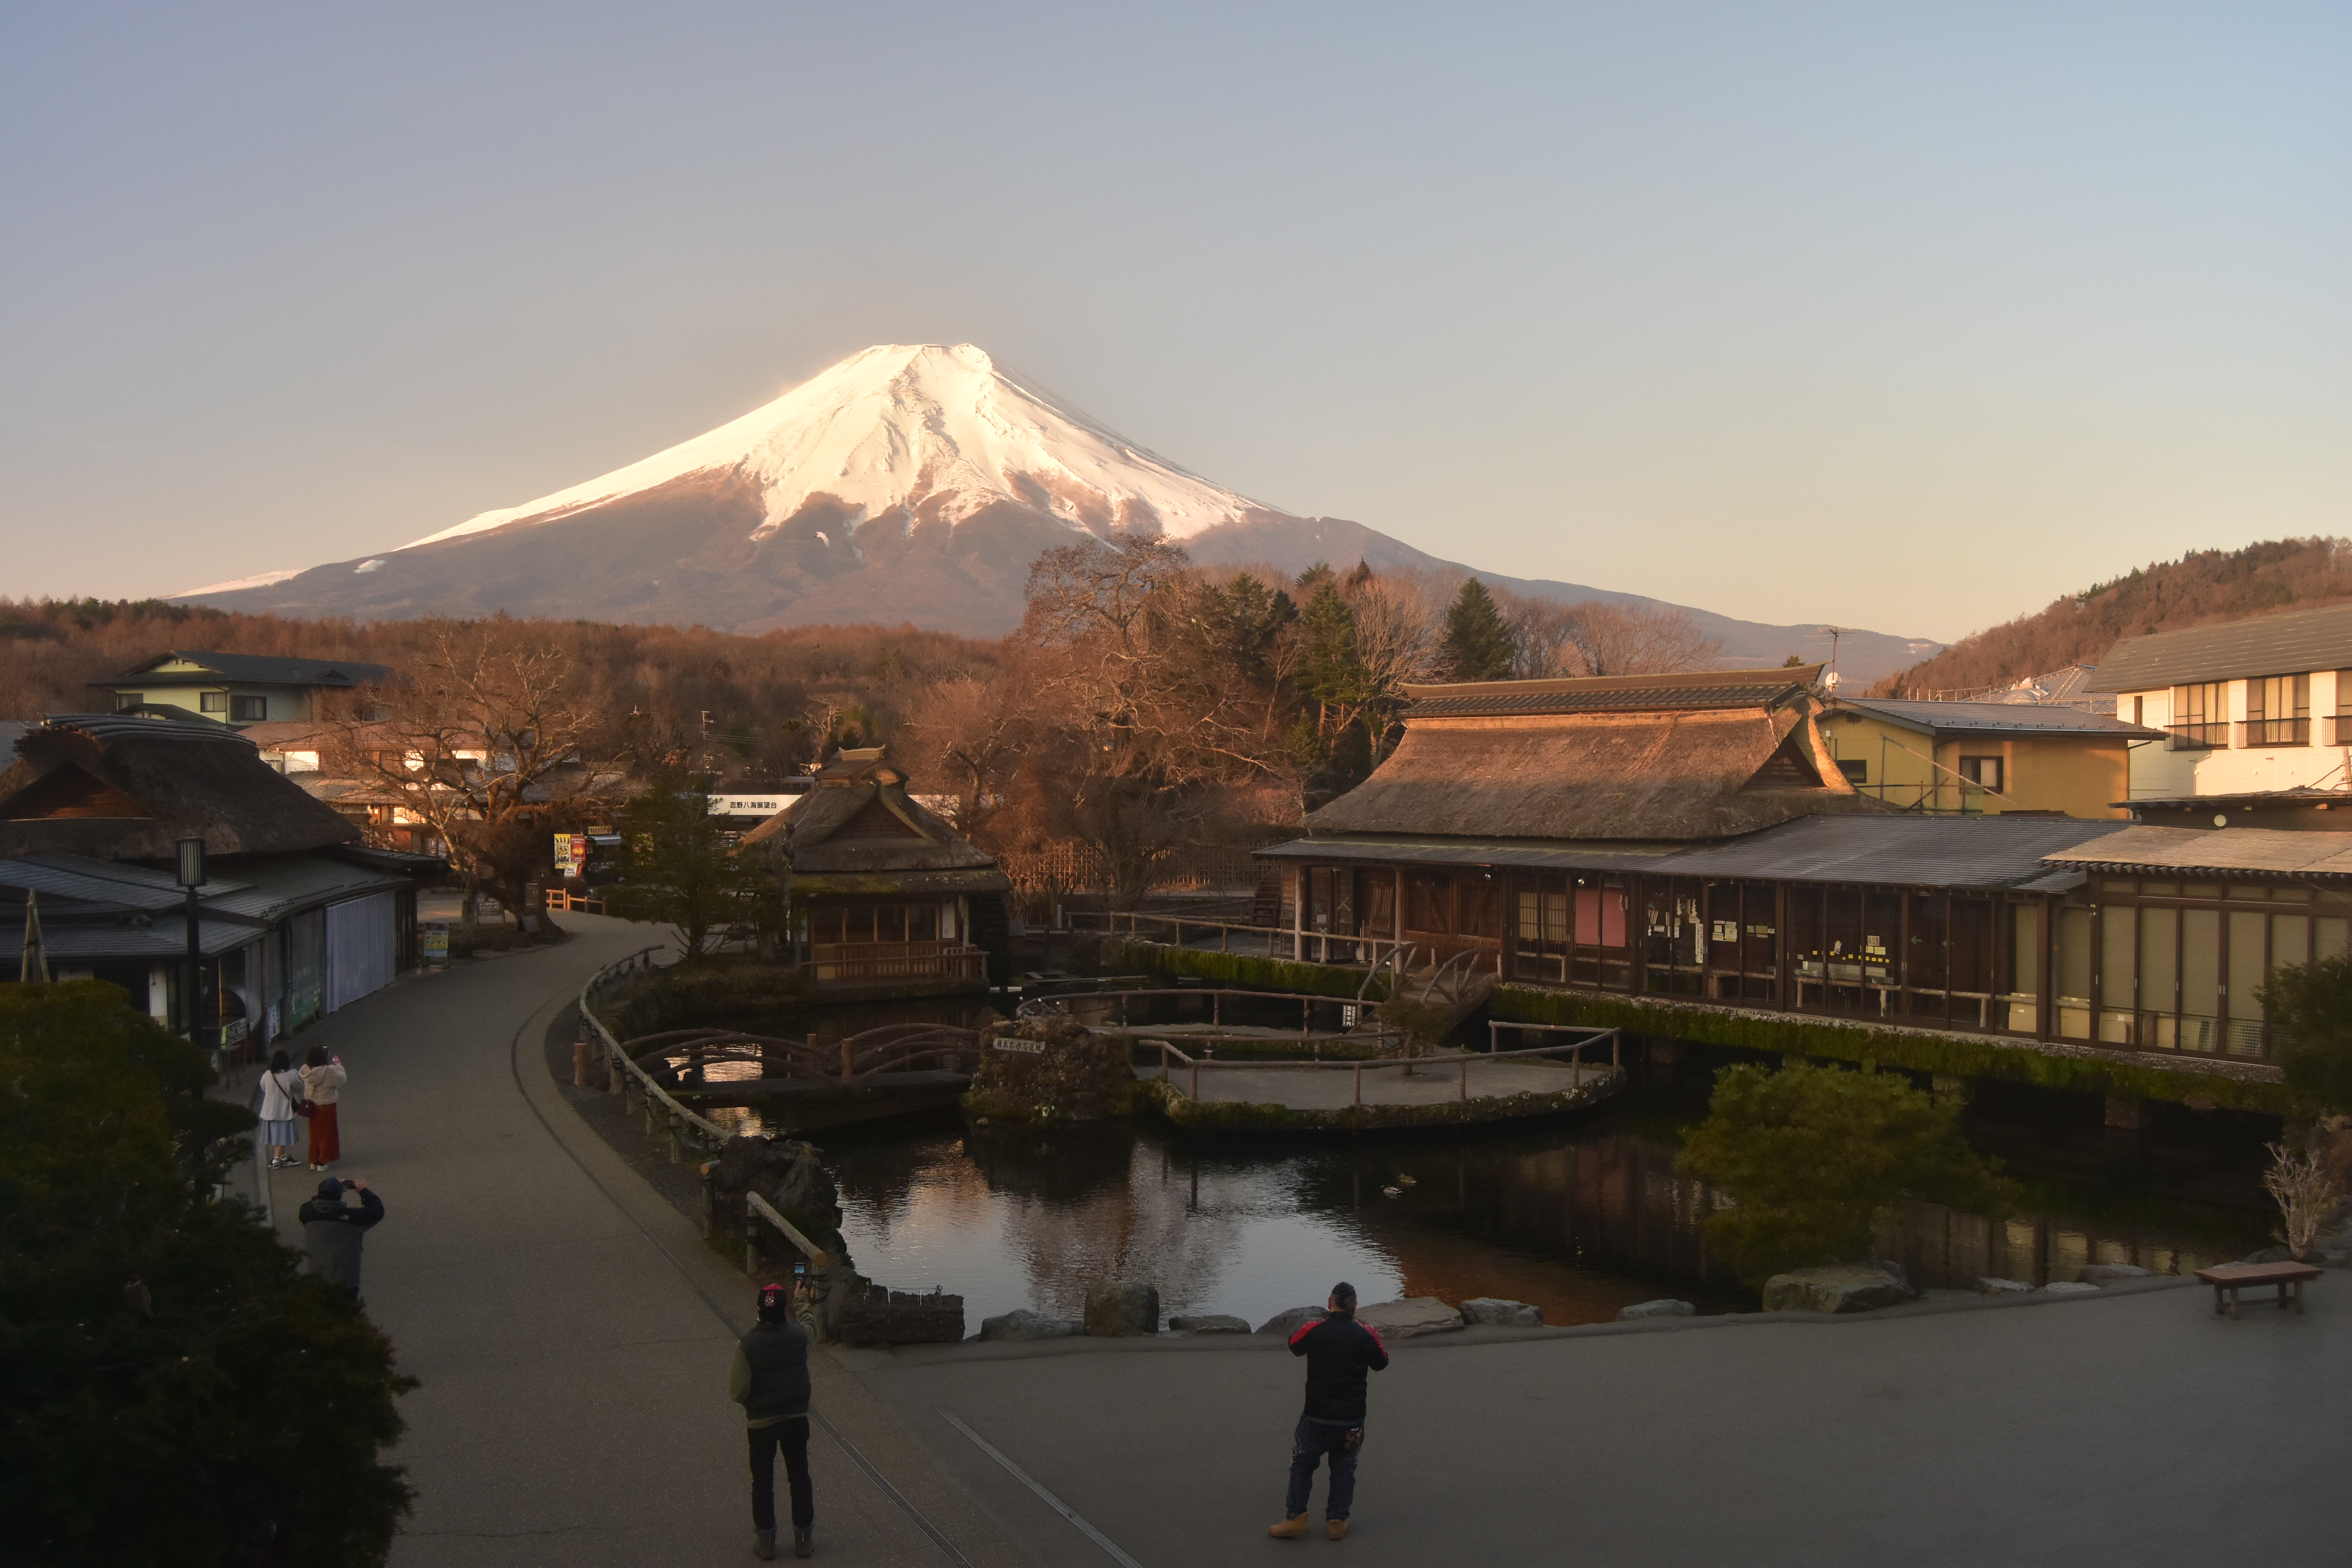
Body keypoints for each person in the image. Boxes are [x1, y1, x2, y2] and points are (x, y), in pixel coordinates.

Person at [1270, 1281, 1388, 1542]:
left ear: (1330, 1303)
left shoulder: (1315, 1330)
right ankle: (1337, 1520)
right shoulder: (1366, 1334)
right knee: (1344, 1469)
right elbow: (1382, 1363)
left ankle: (1296, 1517)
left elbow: (1294, 1345)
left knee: (1302, 1466)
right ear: (1355, 1306)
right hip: (1352, 1419)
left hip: (1317, 1415)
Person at [730, 1280, 815, 1560]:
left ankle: (766, 1543)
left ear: (758, 1310)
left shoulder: (746, 1345)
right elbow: (811, 1328)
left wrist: (754, 1403)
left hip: (761, 1424)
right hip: (795, 1419)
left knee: (763, 1481)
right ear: (784, 1309)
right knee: (799, 1478)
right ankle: (803, 1540)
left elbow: (738, 1390)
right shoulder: (799, 1337)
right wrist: (802, 1300)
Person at [296, 1176, 384, 1304]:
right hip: (345, 1281)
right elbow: (377, 1210)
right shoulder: (353, 1218)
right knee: (346, 1317)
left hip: (317, 1278)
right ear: (340, 1196)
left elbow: (311, 1203)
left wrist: (328, 1189)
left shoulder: (307, 1214)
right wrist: (364, 1191)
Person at [254, 1050, 305, 1169]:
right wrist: (295, 1073)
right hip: (284, 1111)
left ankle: (283, 1157)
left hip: (270, 1110)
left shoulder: (268, 1075)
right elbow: (299, 1087)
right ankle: (276, 1160)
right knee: (283, 1134)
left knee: (276, 1134)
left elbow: (263, 1087)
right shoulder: (291, 1075)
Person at [300, 1046, 346, 1171]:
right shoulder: (329, 1071)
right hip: (327, 1106)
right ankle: (322, 1162)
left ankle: (314, 1161)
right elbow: (342, 1079)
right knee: (327, 1135)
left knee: (315, 1135)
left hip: (313, 1107)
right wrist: (339, 1066)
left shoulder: (306, 1069)